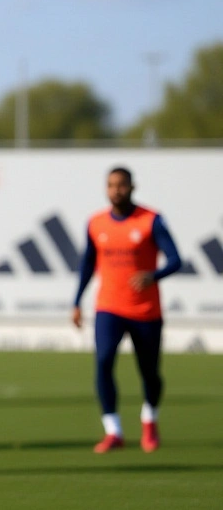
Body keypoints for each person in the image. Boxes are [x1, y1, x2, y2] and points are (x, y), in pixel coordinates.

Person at [73, 167, 181, 454]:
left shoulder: (151, 221)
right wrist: (76, 301)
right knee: (104, 361)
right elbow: (87, 265)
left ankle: (150, 420)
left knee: (149, 373)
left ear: (133, 187)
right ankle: (114, 430)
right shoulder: (95, 223)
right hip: (109, 307)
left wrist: (152, 276)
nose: (116, 190)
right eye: (111, 185)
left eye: (121, 185)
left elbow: (175, 259)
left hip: (145, 310)